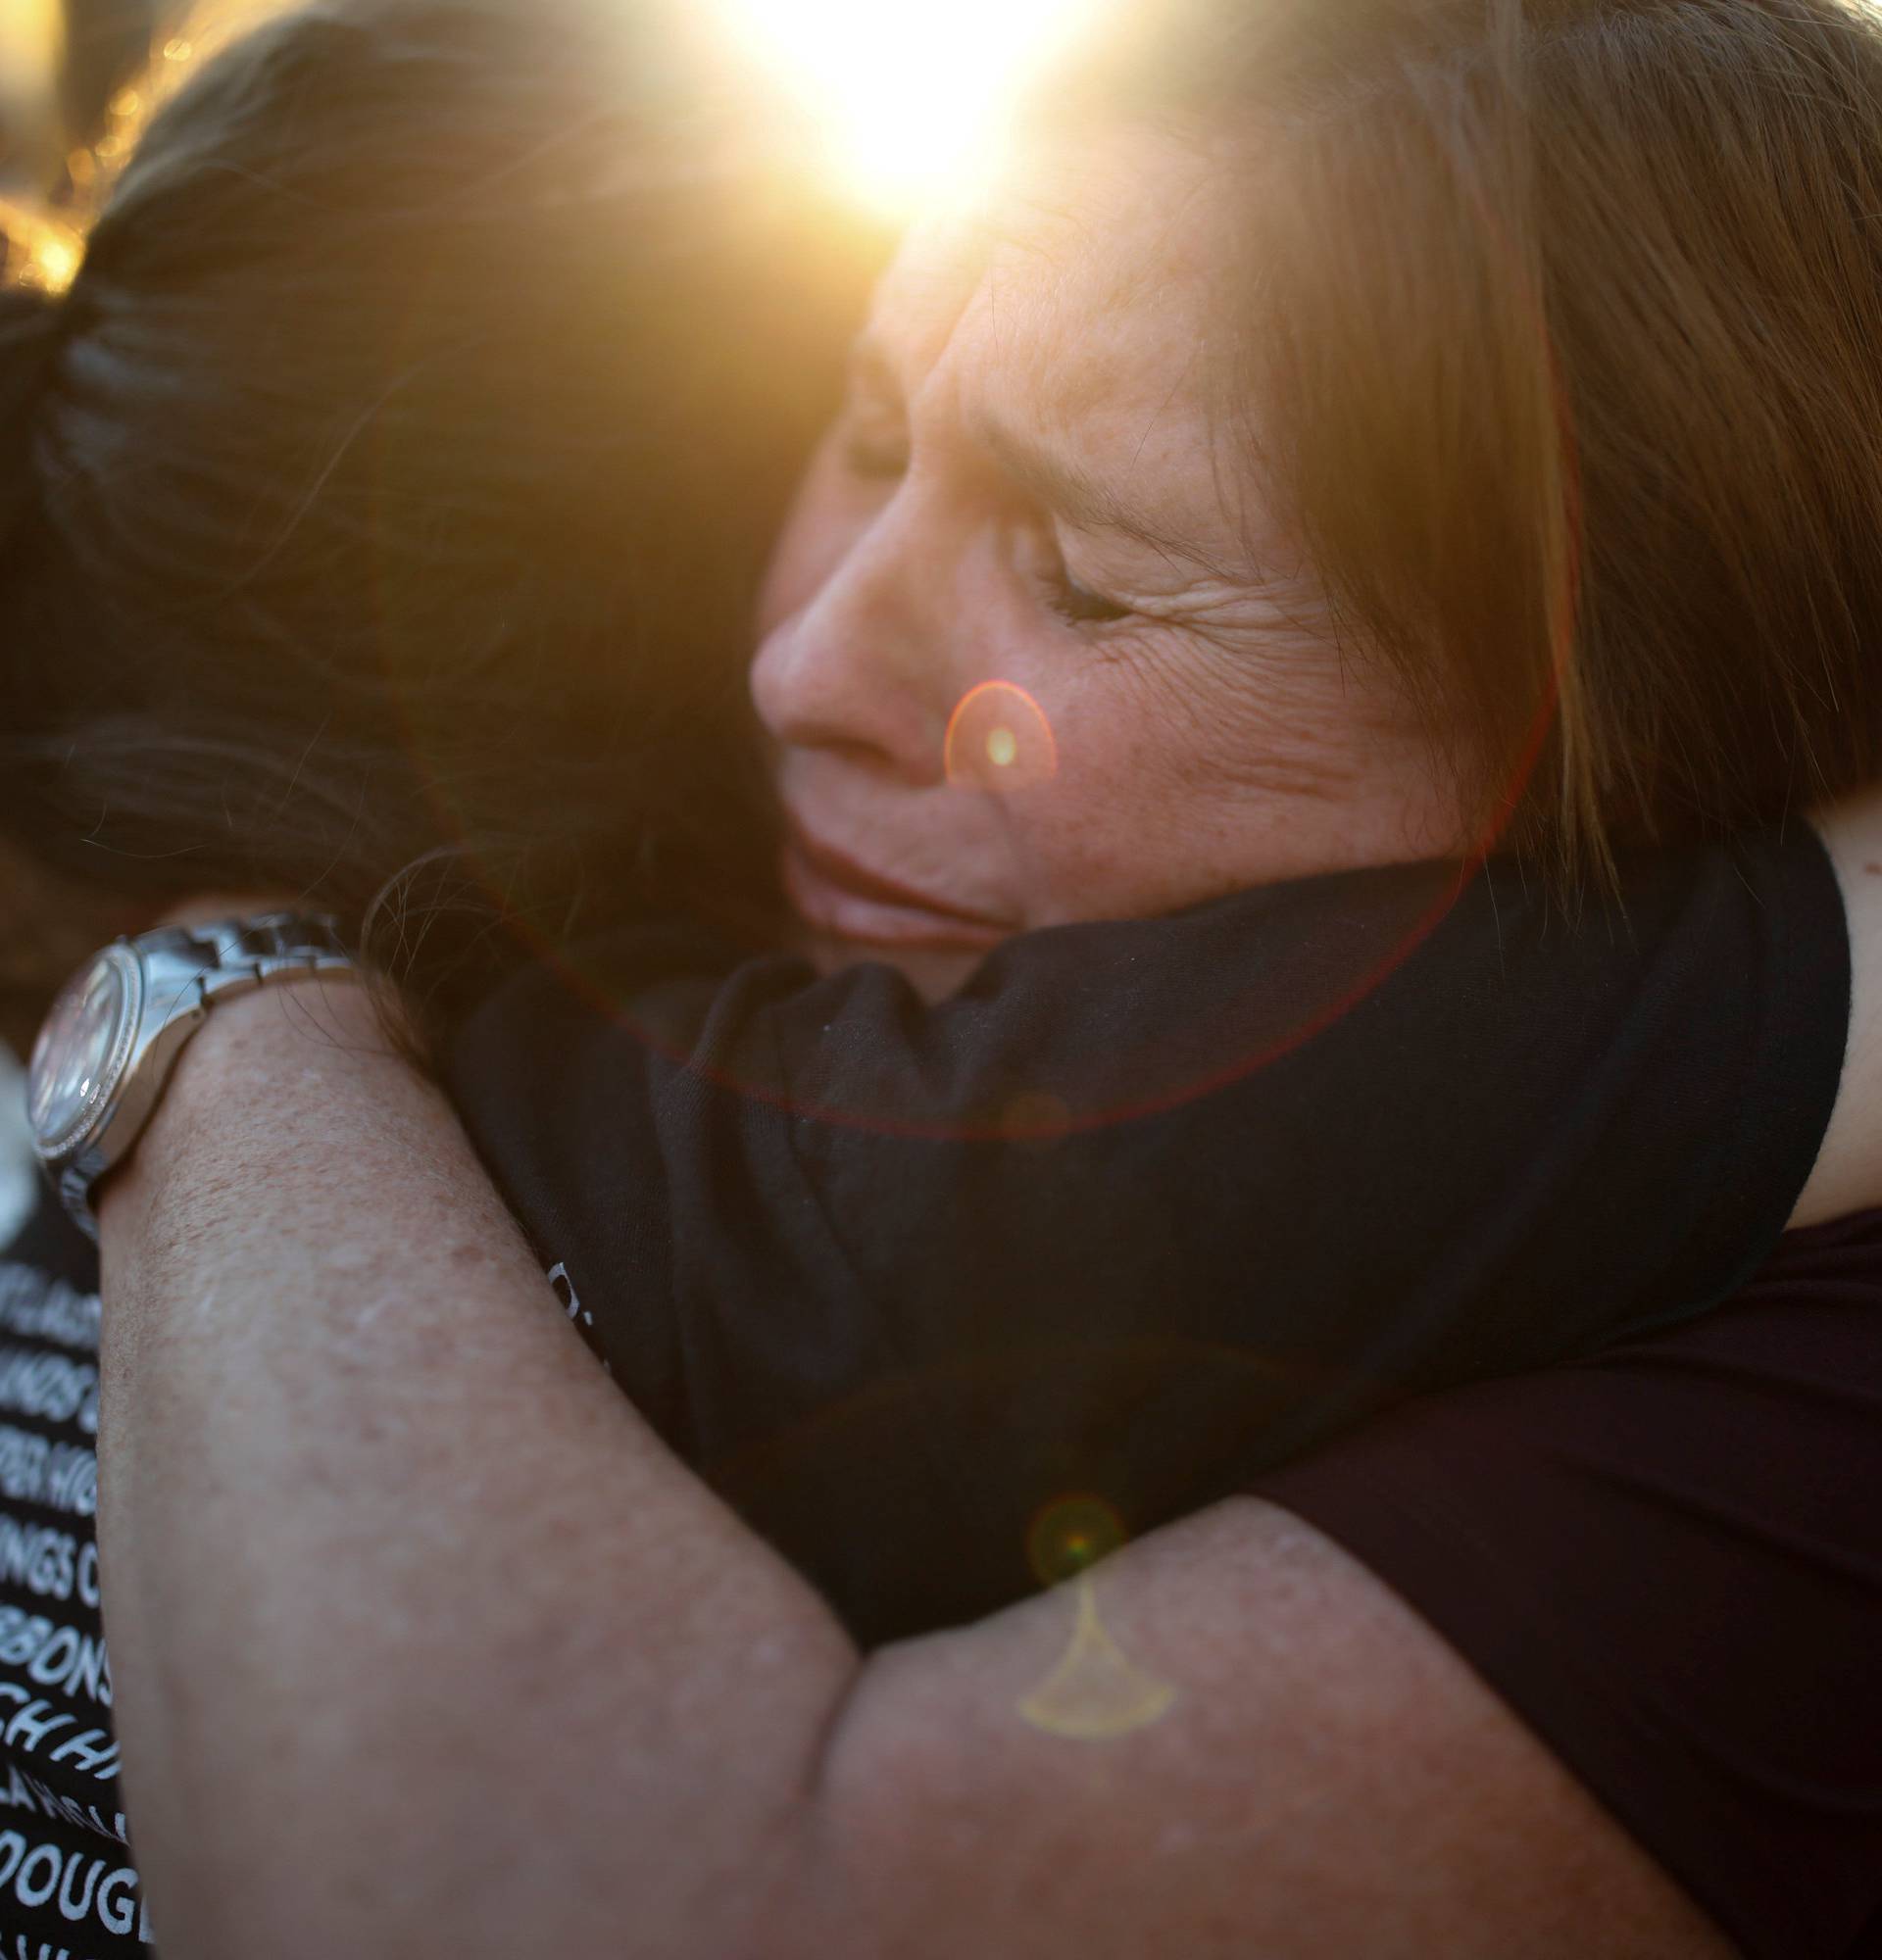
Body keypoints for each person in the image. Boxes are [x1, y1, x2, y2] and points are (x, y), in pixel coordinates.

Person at [70, 0, 1882, 1956]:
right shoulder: (612, 868)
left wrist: (221, 1000)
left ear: (1608, 723)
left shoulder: (1803, 1423)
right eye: (866, 438)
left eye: (1085, 578)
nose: (804, 670)